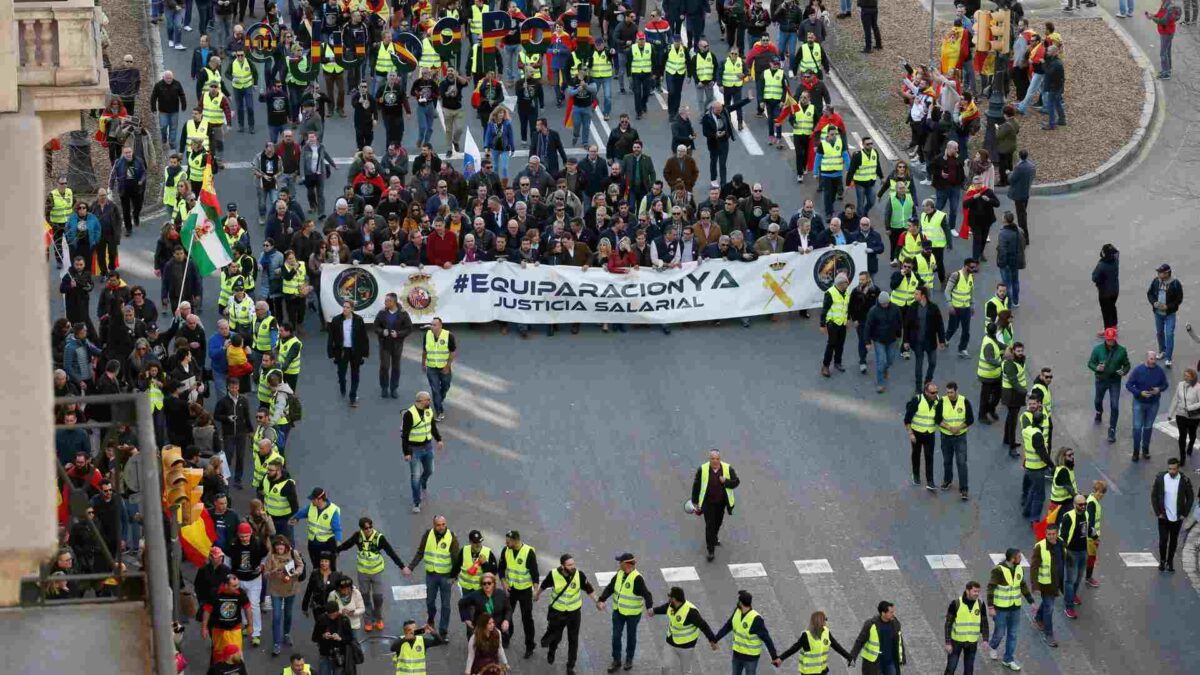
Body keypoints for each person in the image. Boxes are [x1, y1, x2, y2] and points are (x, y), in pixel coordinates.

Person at [337, 516, 405, 633]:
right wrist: (336, 550)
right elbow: (347, 544)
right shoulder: (358, 536)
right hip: (363, 572)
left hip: (376, 572)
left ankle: (378, 618)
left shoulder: (379, 538)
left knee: (378, 598)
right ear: (362, 529)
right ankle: (368, 621)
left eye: (370, 527)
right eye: (366, 528)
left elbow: (391, 552)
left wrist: (402, 566)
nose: (368, 530)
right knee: (365, 597)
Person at [534, 553, 599, 674]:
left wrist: (597, 601)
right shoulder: (553, 575)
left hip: (574, 613)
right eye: (569, 565)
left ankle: (570, 666)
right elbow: (544, 585)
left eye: (573, 564)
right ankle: (552, 650)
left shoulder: (579, 575)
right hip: (557, 612)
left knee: (573, 640)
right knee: (556, 636)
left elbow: (589, 589)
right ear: (562, 566)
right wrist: (537, 594)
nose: (573, 567)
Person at [402, 515, 461, 641]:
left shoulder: (451, 537)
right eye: (438, 525)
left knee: (446, 606)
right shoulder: (427, 535)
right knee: (430, 602)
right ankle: (431, 619)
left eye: (443, 524)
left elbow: (457, 559)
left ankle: (443, 632)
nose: (441, 527)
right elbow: (420, 552)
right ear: (434, 525)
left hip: (446, 576)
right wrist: (410, 567)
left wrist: (454, 576)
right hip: (431, 575)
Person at [652, 586, 717, 675]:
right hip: (670, 642)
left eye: (670, 596)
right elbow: (665, 608)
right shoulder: (671, 605)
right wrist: (654, 611)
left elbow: (703, 625)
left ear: (674, 598)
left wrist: (712, 640)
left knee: (685, 671)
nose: (668, 598)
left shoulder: (691, 612)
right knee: (665, 666)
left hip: (686, 646)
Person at [985, 548, 1032, 671]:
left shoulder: (1019, 569)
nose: (1021, 558)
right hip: (1000, 608)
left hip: (1015, 607)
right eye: (1019, 556)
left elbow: (1022, 585)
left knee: (1013, 634)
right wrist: (990, 607)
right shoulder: (998, 571)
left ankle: (1008, 659)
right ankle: (993, 646)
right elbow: (990, 588)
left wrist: (1031, 601)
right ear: (1012, 558)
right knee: (1000, 633)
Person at [713, 590, 781, 674]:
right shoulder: (737, 612)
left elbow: (767, 639)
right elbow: (728, 626)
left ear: (741, 603)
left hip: (750, 658)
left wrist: (774, 657)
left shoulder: (756, 619)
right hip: (737, 654)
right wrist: (715, 639)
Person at [690, 450, 740, 562]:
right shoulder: (702, 469)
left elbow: (736, 482)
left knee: (718, 522)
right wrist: (695, 501)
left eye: (717, 459)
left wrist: (726, 481)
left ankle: (714, 537)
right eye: (713, 459)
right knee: (709, 525)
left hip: (721, 503)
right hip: (708, 503)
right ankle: (710, 551)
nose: (715, 461)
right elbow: (696, 485)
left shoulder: (727, 468)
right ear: (709, 459)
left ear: (720, 459)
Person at [223, 522, 267, 647]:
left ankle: (256, 633)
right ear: (238, 535)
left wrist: (262, 565)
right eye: (242, 536)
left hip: (254, 579)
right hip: (239, 579)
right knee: (241, 604)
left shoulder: (258, 544)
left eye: (246, 536)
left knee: (254, 605)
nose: (244, 539)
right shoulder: (233, 545)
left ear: (251, 534)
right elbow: (227, 560)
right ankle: (246, 625)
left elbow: (266, 555)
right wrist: (229, 575)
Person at [401, 391, 444, 513]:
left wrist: (439, 439)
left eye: (429, 400)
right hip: (414, 449)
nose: (429, 402)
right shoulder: (410, 414)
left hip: (427, 446)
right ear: (420, 401)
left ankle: (423, 482)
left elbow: (432, 426)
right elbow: (405, 436)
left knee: (430, 470)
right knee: (415, 476)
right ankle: (416, 502)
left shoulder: (428, 410)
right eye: (427, 400)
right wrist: (406, 453)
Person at [263, 534, 304, 656]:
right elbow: (265, 573)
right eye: (277, 548)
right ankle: (276, 642)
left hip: (290, 588)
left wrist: (296, 572)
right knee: (276, 616)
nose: (279, 550)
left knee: (288, 613)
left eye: (281, 548)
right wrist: (272, 572)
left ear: (285, 546)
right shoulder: (271, 556)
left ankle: (286, 634)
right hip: (275, 589)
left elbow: (300, 565)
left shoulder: (293, 553)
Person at [1152, 457, 1195, 572]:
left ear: (1178, 468)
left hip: (1177, 517)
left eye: (1174, 469)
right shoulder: (1161, 478)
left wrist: (1184, 514)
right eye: (1169, 469)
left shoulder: (1184, 480)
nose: (1171, 471)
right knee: (1163, 540)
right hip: (1163, 516)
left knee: (1173, 540)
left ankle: (1170, 561)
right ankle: (1162, 561)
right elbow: (1154, 496)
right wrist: (1158, 513)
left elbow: (1190, 497)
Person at [778, 609, 851, 674]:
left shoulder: (826, 632)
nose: (825, 622)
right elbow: (793, 649)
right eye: (824, 620)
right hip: (809, 672)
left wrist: (849, 657)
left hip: (822, 670)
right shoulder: (806, 636)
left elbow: (837, 646)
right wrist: (781, 658)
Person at [1128, 351, 1170, 461]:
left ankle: (1145, 449)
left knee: (1148, 427)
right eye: (1151, 359)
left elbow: (1165, 384)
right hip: (1139, 402)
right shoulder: (1138, 370)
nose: (1154, 361)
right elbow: (1129, 384)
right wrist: (1139, 392)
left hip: (1153, 403)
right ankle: (1136, 451)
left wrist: (1159, 389)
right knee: (1137, 428)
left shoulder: (1159, 371)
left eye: (1155, 359)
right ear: (1146, 359)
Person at [201, 574, 252, 663]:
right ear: (226, 585)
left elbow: (247, 608)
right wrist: (204, 627)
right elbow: (207, 610)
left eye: (238, 585)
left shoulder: (240, 593)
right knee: (219, 656)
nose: (237, 588)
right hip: (218, 630)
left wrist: (250, 625)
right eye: (234, 586)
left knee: (236, 656)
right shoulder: (215, 593)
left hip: (235, 629)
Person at [905, 286, 947, 394]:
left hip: (930, 341)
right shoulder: (913, 307)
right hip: (917, 342)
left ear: (923, 296)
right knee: (918, 365)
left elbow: (939, 324)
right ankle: (918, 388)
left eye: (916, 294)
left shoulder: (933, 308)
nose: (914, 296)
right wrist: (906, 341)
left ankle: (928, 381)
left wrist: (942, 340)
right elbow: (907, 325)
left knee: (932, 362)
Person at [327, 300, 369, 407]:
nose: (345, 309)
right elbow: (331, 337)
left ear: (352, 309)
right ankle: (342, 385)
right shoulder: (336, 320)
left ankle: (353, 397)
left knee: (355, 375)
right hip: (342, 351)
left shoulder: (358, 320)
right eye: (344, 307)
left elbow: (364, 337)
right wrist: (331, 353)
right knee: (341, 374)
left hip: (355, 351)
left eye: (347, 307)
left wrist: (364, 353)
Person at [937, 381, 975, 500]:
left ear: (956, 391)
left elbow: (970, 419)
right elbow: (937, 419)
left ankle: (964, 489)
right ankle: (948, 481)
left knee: (961, 462)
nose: (949, 395)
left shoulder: (964, 401)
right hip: (946, 436)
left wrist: (958, 428)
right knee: (947, 460)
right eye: (947, 392)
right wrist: (949, 428)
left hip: (960, 437)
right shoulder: (942, 402)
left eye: (951, 392)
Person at [372, 293, 413, 399]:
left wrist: (398, 334)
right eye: (385, 301)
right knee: (384, 367)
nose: (385, 302)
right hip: (384, 345)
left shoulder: (403, 314)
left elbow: (409, 328)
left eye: (387, 301)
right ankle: (384, 388)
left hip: (397, 345)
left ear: (393, 302)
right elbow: (376, 326)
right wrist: (382, 332)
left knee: (396, 367)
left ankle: (394, 388)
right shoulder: (382, 313)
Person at [290, 487, 342, 570]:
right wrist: (296, 518)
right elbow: (302, 512)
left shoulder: (333, 511)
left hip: (327, 544)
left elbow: (337, 529)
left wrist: (338, 544)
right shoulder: (311, 507)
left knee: (329, 568)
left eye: (313, 499)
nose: (312, 501)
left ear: (320, 499)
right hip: (313, 544)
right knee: (316, 567)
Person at [944, 581, 989, 674]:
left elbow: (984, 622)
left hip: (972, 642)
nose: (977, 594)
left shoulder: (980, 604)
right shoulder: (956, 603)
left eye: (978, 592)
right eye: (974, 591)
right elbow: (948, 623)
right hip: (956, 641)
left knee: (969, 670)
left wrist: (985, 639)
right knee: (951, 668)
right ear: (967, 591)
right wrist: (948, 642)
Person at [847, 600, 904, 673]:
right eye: (891, 612)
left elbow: (899, 642)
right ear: (883, 613)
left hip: (890, 663)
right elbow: (860, 641)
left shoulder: (895, 623)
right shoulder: (870, 625)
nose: (893, 614)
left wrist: (901, 658)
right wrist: (852, 657)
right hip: (874, 663)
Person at [1030, 524, 1062, 648]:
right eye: (1049, 534)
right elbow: (1034, 568)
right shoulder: (1040, 547)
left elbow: (1062, 558)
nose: (1051, 536)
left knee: (1048, 604)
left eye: (1053, 534)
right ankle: (1049, 635)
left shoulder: (1060, 543)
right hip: (1045, 584)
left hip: (1055, 582)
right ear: (1046, 534)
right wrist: (1035, 586)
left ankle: (1038, 617)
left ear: (1057, 533)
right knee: (1049, 608)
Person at [905, 381, 940, 491]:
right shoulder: (917, 400)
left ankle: (930, 481)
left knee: (929, 456)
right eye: (932, 393)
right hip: (917, 434)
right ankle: (916, 475)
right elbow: (907, 419)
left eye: (936, 392)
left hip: (930, 433)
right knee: (916, 454)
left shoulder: (938, 401)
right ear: (926, 392)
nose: (935, 395)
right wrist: (910, 434)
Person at [1148, 263, 1184, 368]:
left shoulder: (1175, 284)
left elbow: (1179, 299)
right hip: (1158, 313)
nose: (1159, 274)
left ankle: (1168, 358)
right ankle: (1162, 351)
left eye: (1161, 272)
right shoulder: (1156, 281)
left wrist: (1168, 307)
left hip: (1169, 314)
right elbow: (1149, 293)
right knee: (1159, 333)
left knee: (1169, 334)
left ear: (1167, 273)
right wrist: (1154, 302)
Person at [422, 317, 456, 421]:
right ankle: (439, 411)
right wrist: (423, 363)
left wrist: (447, 366)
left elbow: (453, 352)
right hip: (431, 368)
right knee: (435, 390)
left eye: (435, 325)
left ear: (440, 326)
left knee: (445, 386)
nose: (432, 327)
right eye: (431, 325)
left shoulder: (449, 336)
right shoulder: (427, 335)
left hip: (444, 367)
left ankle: (438, 401)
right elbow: (425, 350)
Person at [819, 273, 851, 377]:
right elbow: (824, 310)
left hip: (842, 322)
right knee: (831, 345)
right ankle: (825, 366)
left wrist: (848, 319)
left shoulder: (846, 292)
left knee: (840, 344)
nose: (848, 284)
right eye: (846, 283)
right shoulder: (830, 293)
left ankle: (838, 362)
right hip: (833, 323)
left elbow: (847, 307)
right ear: (841, 284)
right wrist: (822, 325)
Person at [1000, 342, 1029, 453]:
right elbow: (1014, 382)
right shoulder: (1010, 365)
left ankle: (1007, 439)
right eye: (1018, 351)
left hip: (1016, 393)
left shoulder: (1020, 361)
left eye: (1021, 351)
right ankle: (1012, 446)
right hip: (1011, 394)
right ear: (1013, 351)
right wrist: (1026, 393)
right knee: (1013, 421)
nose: (1020, 353)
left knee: (1010, 417)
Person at [312, 599, 354, 674]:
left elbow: (350, 638)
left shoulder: (344, 620)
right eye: (329, 615)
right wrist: (323, 636)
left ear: (338, 611)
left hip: (339, 654)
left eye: (334, 614)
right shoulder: (321, 619)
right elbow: (314, 637)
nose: (331, 617)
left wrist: (340, 638)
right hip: (325, 653)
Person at [1169, 368, 1200, 464]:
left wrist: (1189, 407)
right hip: (1181, 414)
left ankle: (1190, 445)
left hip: (1193, 416)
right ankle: (1182, 457)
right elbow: (1175, 399)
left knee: (1192, 434)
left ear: (1193, 377)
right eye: (1185, 375)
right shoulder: (1180, 384)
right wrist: (1170, 413)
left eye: (1188, 376)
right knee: (1182, 436)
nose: (1185, 377)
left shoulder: (1198, 387)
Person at [1146, 0, 1179, 79]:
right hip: (1167, 32)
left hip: (1166, 33)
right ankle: (1167, 69)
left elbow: (1163, 21)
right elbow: (1160, 15)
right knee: (1167, 51)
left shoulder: (1169, 7)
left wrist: (1152, 18)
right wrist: (1153, 15)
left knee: (1163, 53)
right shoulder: (1165, 4)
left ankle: (1166, 73)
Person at [1091, 244, 1121, 329]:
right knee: (1112, 307)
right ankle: (1114, 326)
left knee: (1106, 312)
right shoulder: (1116, 260)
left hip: (1104, 293)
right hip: (1115, 290)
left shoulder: (1102, 265)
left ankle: (1109, 332)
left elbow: (1094, 277)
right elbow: (1117, 253)